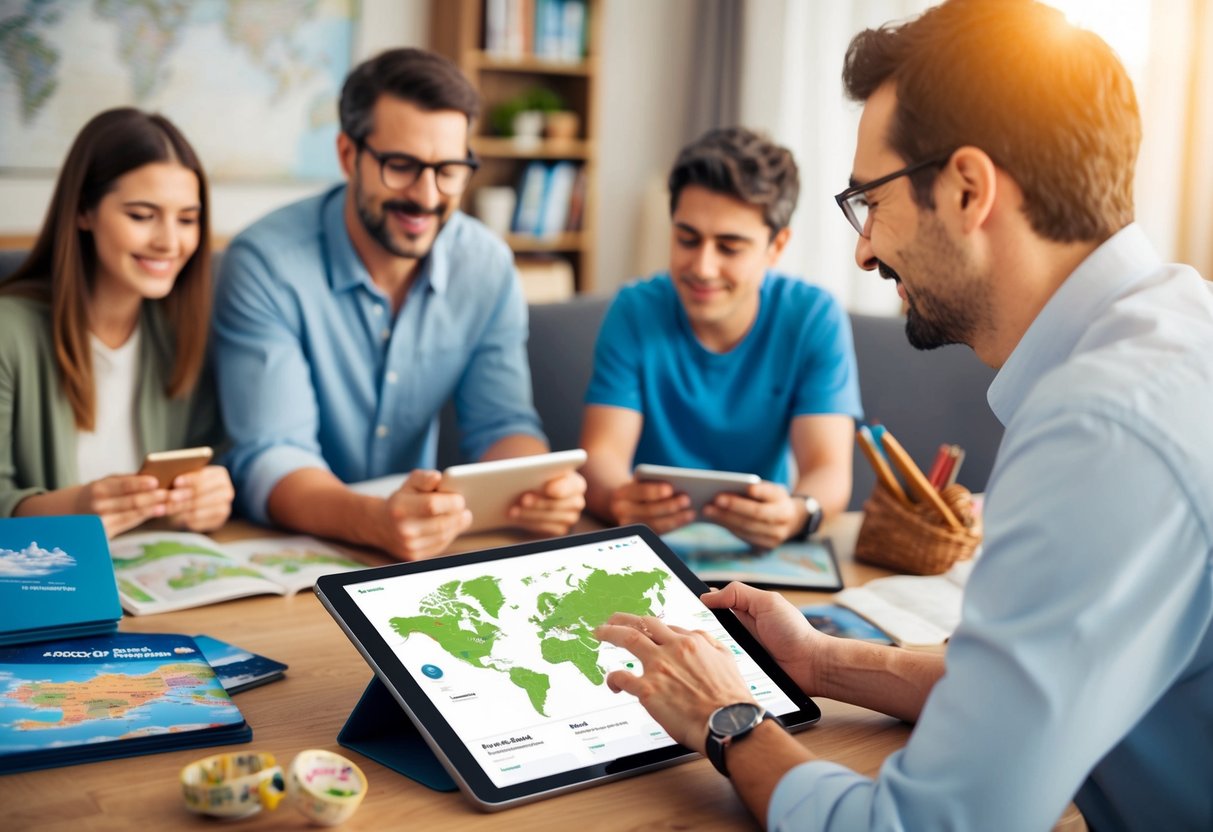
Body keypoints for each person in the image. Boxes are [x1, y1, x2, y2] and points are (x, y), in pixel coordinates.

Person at [594, 1, 1213, 829]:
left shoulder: (1098, 428)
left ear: (966, 188)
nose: (862, 249)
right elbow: (1020, 687)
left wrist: (729, 718)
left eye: (868, 201)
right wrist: (816, 660)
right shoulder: (1176, 333)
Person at [212, 48, 585, 561]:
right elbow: (272, 453)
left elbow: (500, 424)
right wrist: (374, 520)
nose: (427, 196)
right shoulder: (265, 262)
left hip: (417, 547)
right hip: (290, 549)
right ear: (348, 155)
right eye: (402, 165)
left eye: (449, 169)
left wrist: (540, 484)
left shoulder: (487, 265)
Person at [580, 128, 861, 549]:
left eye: (729, 247)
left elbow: (828, 470)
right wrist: (621, 499)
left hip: (761, 551)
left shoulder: (812, 317)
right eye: (686, 239)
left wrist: (797, 512)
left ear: (776, 246)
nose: (703, 267)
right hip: (652, 542)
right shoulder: (634, 310)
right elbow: (601, 456)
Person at [0, 108, 234, 537]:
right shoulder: (7, 333)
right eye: (142, 216)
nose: (169, 242)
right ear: (83, 212)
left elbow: (213, 456)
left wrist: (207, 502)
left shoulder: (180, 334)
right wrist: (76, 507)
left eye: (187, 219)